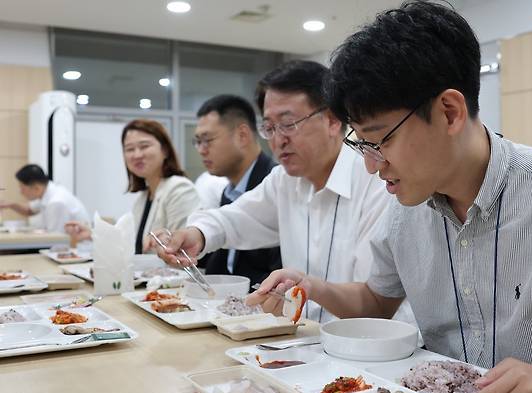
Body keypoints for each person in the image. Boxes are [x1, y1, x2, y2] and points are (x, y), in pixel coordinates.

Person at [245, 2, 532, 393]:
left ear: (449, 112)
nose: (372, 165)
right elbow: (376, 300)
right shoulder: (405, 209)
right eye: (361, 144)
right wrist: (313, 287)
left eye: (380, 140)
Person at [149, 60, 396, 324]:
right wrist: (196, 234)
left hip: (371, 349)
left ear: (332, 121)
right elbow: (235, 219)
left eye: (288, 124)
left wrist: (311, 287)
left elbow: (375, 300)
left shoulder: (376, 179)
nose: (278, 140)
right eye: (269, 127)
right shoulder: (284, 180)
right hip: (301, 342)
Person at [66, 119, 200, 254]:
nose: (137, 155)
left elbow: (182, 250)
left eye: (144, 146)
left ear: (165, 150)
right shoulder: (143, 197)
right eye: (130, 149)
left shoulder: (180, 189)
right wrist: (91, 234)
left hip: (175, 274)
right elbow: (129, 242)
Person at [193, 94, 281, 284]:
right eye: (198, 141)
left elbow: (279, 274)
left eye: (208, 140)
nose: (201, 150)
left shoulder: (275, 184)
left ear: (242, 135)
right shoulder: (229, 191)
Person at [0, 164, 89, 233]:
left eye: (22, 188)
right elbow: (29, 210)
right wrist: (10, 204)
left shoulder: (56, 202)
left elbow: (55, 238)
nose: (21, 192)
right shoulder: (47, 192)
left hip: (77, 251)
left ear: (36, 188)